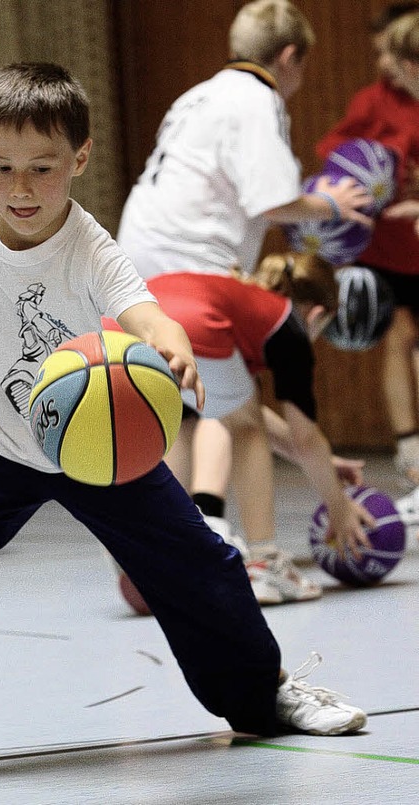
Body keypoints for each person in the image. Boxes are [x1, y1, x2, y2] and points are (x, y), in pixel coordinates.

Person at [0, 62, 367, 791]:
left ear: (80, 159)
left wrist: (171, 340)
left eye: (41, 168)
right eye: (2, 167)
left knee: (201, 557)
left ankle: (267, 693)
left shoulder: (91, 246)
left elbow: (142, 308)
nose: (20, 187)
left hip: (89, 437)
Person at [115, 0, 374, 603]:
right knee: (242, 423)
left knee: (181, 412)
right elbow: (272, 200)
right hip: (192, 270)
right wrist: (333, 203)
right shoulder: (257, 101)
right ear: (288, 58)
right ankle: (262, 563)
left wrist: (319, 465)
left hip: (133, 271)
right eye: (302, 69)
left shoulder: (198, 95)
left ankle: (164, 557)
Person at [116, 252, 375, 609]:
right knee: (246, 431)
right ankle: (266, 565)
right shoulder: (288, 325)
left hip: (124, 326)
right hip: (191, 324)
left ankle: (151, 554)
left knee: (172, 426)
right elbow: (301, 436)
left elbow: (234, 408)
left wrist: (326, 462)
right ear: (317, 314)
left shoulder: (243, 302)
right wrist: (338, 506)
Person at [316, 3, 419, 494]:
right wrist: (376, 171)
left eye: (389, 53)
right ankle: (411, 453)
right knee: (398, 337)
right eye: (379, 53)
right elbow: (334, 154)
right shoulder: (372, 101)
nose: (382, 63)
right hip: (386, 250)